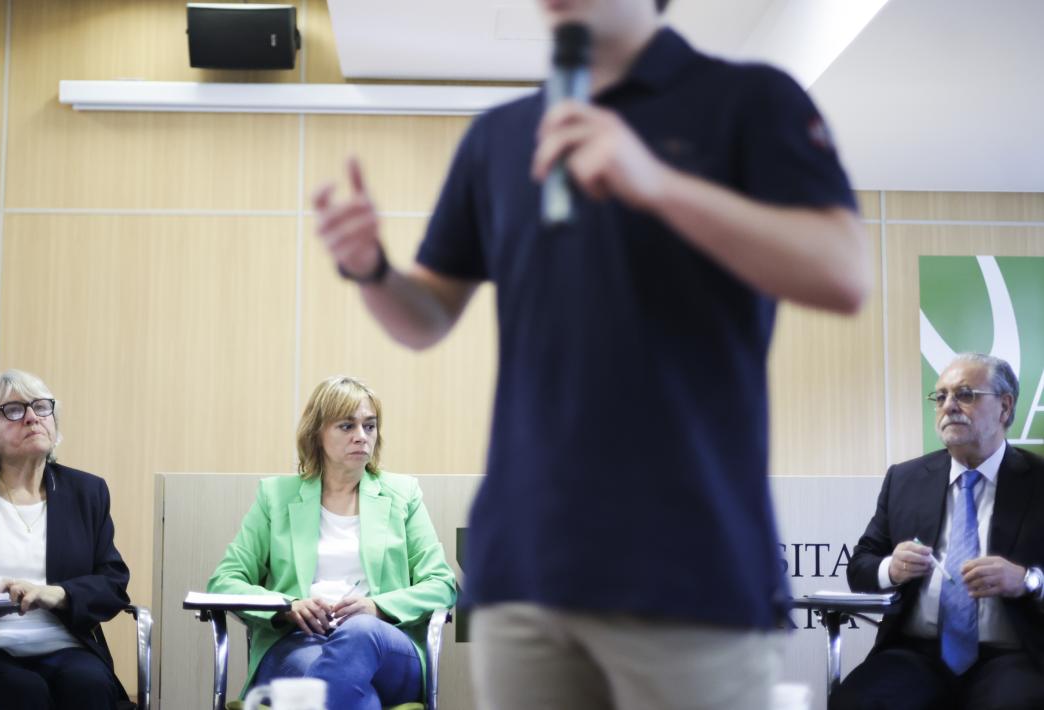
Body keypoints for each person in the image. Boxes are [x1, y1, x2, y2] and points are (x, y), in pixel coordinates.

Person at [312, 0, 870, 706]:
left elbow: (844, 270)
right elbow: (425, 315)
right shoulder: (501, 135)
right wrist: (372, 271)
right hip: (525, 565)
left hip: (690, 559)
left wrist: (657, 183)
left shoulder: (748, 99)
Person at [208, 375, 457, 709]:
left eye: (370, 426)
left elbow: (442, 585)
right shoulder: (276, 497)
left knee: (360, 633)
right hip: (298, 644)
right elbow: (224, 582)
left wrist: (377, 608)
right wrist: (288, 606)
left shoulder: (403, 495)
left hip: (384, 648)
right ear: (317, 434)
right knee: (357, 698)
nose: (361, 437)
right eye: (346, 426)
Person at [832, 354, 1044, 710]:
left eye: (965, 394)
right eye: (940, 396)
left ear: (1005, 408)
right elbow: (860, 568)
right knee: (857, 702)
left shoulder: (1038, 481)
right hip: (916, 654)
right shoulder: (905, 479)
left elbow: (1032, 581)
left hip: (1012, 655)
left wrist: (1027, 580)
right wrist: (891, 569)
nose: (948, 407)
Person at [0, 369, 131, 710]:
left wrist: (58, 593)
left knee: (88, 687)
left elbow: (113, 583)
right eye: (13, 411)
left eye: (41, 407)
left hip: (63, 645)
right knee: (19, 692)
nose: (32, 418)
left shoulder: (86, 492)